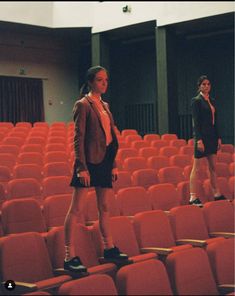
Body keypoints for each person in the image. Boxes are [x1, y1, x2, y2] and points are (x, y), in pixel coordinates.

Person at [64, 66, 128, 273]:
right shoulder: (83, 104)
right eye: (100, 80)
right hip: (88, 163)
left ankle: (109, 247)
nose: (104, 83)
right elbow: (78, 138)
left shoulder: (105, 105)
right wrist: (81, 167)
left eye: (106, 80)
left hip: (105, 161)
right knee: (77, 209)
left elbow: (110, 137)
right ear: (91, 82)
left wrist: (114, 163)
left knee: (105, 208)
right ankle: (69, 255)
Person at [189, 75, 226, 207]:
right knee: (197, 168)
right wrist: (198, 139)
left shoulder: (213, 101)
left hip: (212, 137)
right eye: (203, 84)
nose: (206, 86)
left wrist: (219, 137)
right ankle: (193, 197)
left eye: (208, 84)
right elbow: (196, 122)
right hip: (202, 137)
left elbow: (215, 122)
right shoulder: (196, 101)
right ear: (199, 86)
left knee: (213, 167)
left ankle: (216, 193)